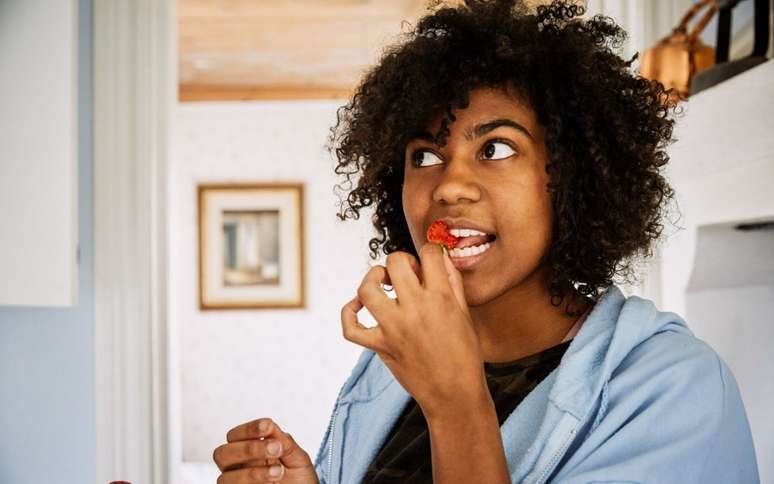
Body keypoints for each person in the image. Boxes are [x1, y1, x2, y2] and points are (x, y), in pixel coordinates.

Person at [211, 1, 760, 482]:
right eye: (425, 155)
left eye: (495, 148)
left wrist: (455, 404)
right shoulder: (394, 363)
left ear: (573, 176)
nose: (448, 186)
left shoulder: (676, 387)